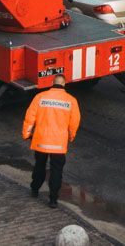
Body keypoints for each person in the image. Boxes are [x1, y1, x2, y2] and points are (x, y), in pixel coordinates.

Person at [22, 74, 81, 208]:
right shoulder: (71, 100)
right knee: (56, 171)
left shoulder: (40, 97)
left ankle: (35, 190)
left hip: (41, 140)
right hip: (58, 144)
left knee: (39, 166)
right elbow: (74, 122)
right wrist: (71, 137)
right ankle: (53, 200)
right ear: (64, 84)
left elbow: (30, 117)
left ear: (52, 82)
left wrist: (26, 134)